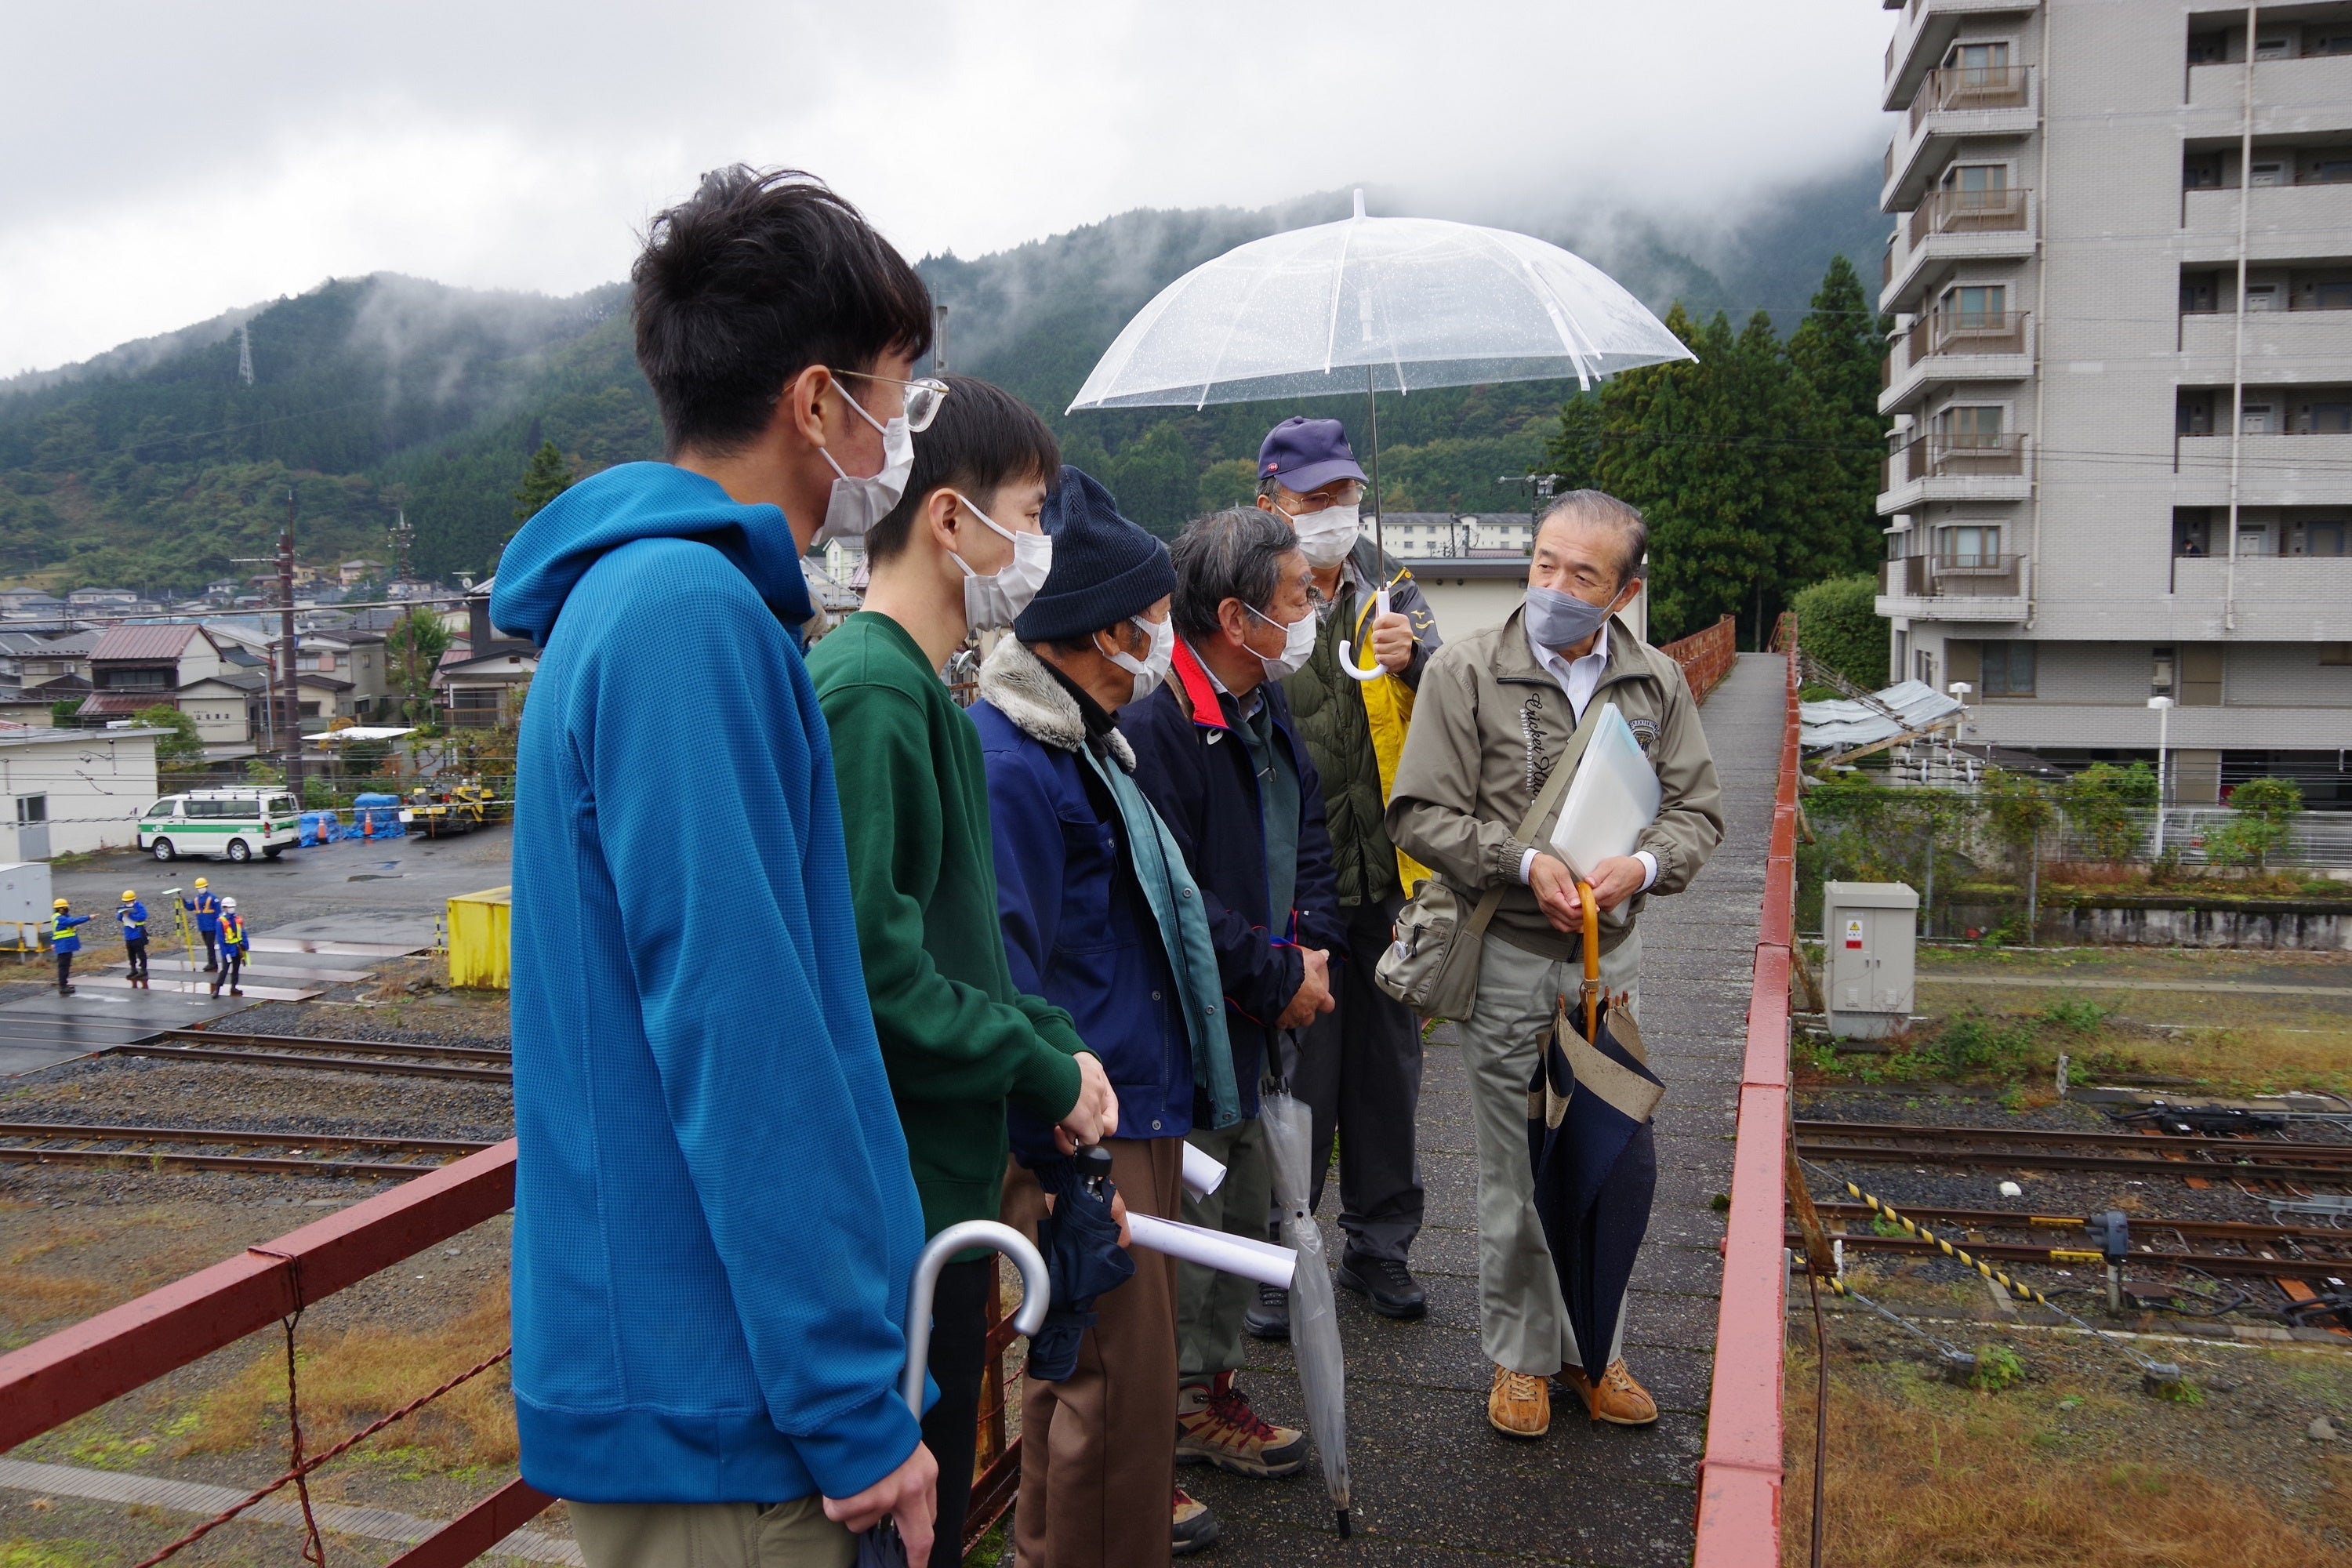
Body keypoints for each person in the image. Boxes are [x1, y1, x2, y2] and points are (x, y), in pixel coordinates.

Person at [490, 166, 943, 1568]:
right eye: (899, 390)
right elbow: (741, 1035)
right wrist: (853, 1409)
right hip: (724, 1410)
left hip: (700, 1376)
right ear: (819, 404)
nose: (905, 430)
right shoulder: (688, 618)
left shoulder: (652, 602)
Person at [806, 376, 1120, 1566]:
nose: (1039, 546)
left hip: (935, 1192)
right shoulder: (874, 694)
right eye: (1030, 514)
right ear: (949, 519)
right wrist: (1043, 1066)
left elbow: (962, 953)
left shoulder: (919, 691)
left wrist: (1051, 1049)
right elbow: (877, 975)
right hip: (897, 1212)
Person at [1388, 490, 1724, 1439]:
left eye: (1583, 574)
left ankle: (1595, 1350)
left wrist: (1645, 865)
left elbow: (1697, 809)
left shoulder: (1657, 681)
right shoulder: (1463, 671)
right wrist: (1521, 861)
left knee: (1604, 1158)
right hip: (1505, 960)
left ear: (1625, 590)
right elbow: (1420, 813)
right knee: (1513, 1172)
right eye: (1544, 563)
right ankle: (1522, 1357)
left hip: (1607, 969)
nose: (1555, 587)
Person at [975, 466, 1235, 1564]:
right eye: (1155, 623)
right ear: (1101, 628)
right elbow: (1009, 981)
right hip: (1083, 1136)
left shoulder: (1085, 745)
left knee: (1117, 1404)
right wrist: (1061, 1164)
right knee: (1101, 1396)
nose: (1163, 647)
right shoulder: (1017, 766)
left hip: (1129, 1107)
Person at [1124, 507, 1342, 1483]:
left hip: (1268, 1001)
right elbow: (1176, 895)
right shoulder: (1159, 721)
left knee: (1246, 1199)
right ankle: (1164, 1415)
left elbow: (1311, 831)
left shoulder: (1264, 699)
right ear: (1233, 613)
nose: (1312, 611)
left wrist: (1315, 952)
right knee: (1195, 1217)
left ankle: (1205, 1391)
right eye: (1298, 596)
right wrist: (1273, 971)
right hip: (1199, 1015)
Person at [1253, 415, 1441, 1331]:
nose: (1333, 514)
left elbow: (1453, 713)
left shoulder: (1393, 594)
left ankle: (1381, 1247)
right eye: (1313, 497)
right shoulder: (1253, 598)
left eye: (1345, 496)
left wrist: (1423, 662)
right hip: (1296, 879)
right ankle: (1280, 1261)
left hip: (1391, 874)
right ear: (1270, 500)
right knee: (1297, 1076)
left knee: (1387, 1070)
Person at [49, 898, 89, 996]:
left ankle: (64, 984)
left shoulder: (60, 917)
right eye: (66, 908)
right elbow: (73, 922)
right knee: (63, 967)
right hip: (63, 946)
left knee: (65, 966)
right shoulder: (60, 919)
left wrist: (52, 942)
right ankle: (63, 986)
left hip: (65, 946)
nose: (67, 909)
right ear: (61, 909)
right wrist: (89, 917)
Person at [210, 897, 248, 998]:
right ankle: (217, 989)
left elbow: (243, 933)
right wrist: (225, 953)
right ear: (225, 908)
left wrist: (245, 945)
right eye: (229, 907)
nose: (232, 909)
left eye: (233, 907)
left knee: (236, 969)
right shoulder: (220, 921)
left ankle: (234, 986)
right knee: (224, 970)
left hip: (237, 948)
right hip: (228, 949)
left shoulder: (238, 919)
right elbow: (220, 939)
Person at [183, 878, 220, 971]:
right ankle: (212, 962)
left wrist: (218, 925)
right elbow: (190, 907)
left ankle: (212, 963)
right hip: (203, 925)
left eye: (202, 887)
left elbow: (218, 913)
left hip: (211, 926)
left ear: (206, 887)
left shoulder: (213, 898)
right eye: (199, 888)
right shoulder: (196, 899)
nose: (201, 889)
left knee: (210, 945)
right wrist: (182, 901)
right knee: (208, 945)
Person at [118, 891, 150, 988]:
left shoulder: (139, 907)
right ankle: (133, 969)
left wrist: (130, 915)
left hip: (138, 934)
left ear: (133, 899)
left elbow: (143, 916)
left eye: (129, 901)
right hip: (128, 935)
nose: (127, 903)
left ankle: (143, 970)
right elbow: (118, 917)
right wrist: (122, 914)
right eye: (126, 901)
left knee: (140, 953)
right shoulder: (123, 907)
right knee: (130, 953)